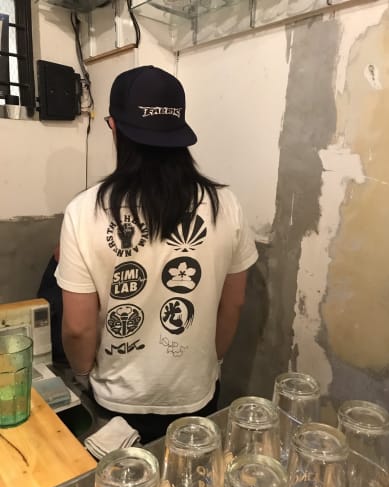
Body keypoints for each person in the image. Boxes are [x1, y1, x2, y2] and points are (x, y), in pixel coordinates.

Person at [55, 65, 258, 443]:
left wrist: (83, 375)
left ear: (114, 127)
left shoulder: (83, 212)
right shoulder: (226, 205)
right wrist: (208, 363)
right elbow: (234, 304)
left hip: (116, 401)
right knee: (188, 480)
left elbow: (78, 328)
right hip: (196, 398)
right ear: (180, 132)